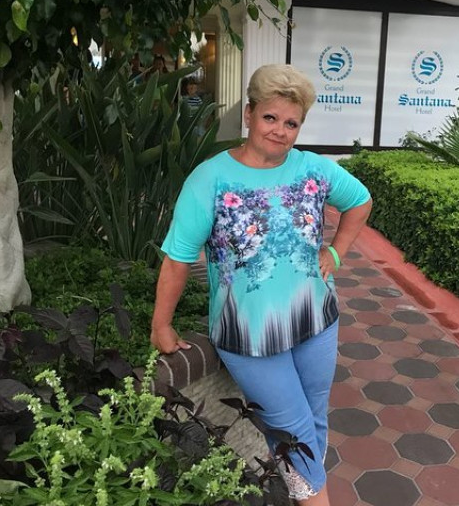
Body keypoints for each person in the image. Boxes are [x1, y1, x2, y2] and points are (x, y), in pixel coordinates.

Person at [151, 64, 372, 505]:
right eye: (270, 117)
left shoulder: (312, 168)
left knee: (314, 419)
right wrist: (162, 324)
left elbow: (360, 201)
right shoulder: (210, 179)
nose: (280, 131)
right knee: (293, 432)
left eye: (291, 123)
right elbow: (177, 259)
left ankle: (301, 495)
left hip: (316, 321)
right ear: (249, 114)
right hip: (249, 336)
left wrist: (334, 253)